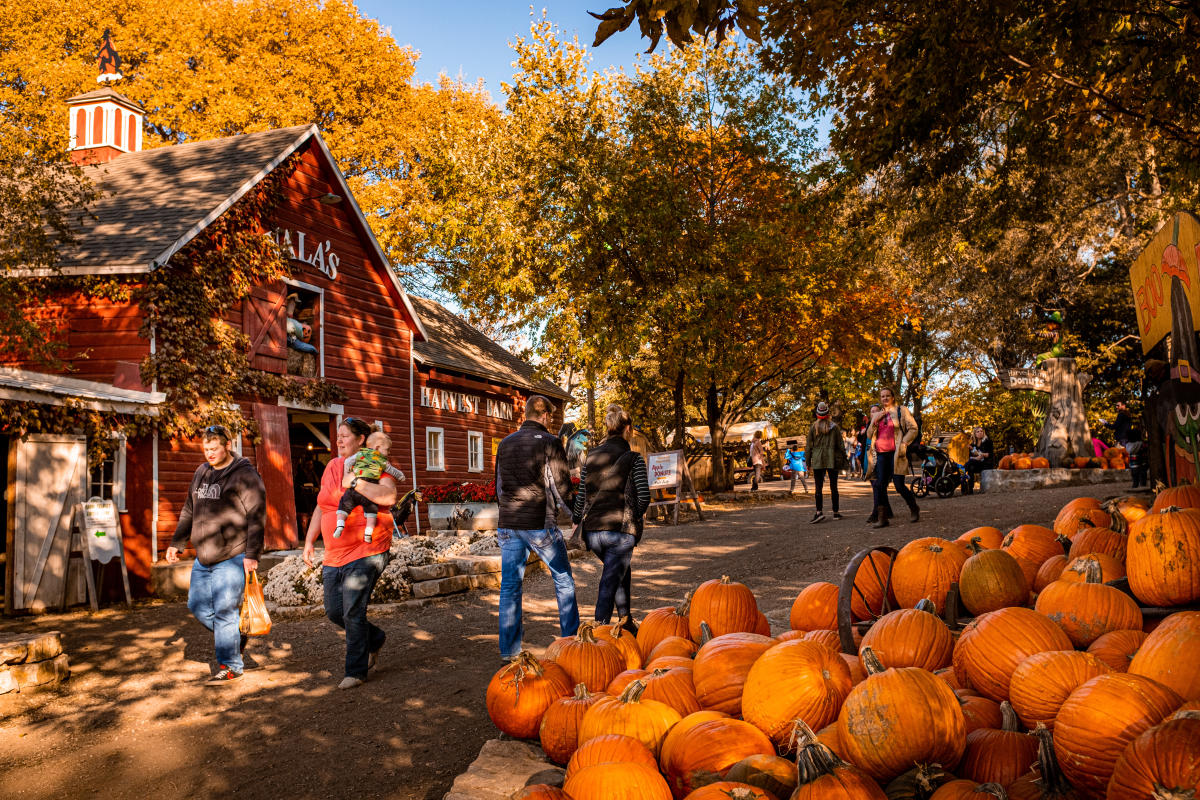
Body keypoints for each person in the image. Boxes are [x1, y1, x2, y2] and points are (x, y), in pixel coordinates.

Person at [165, 424, 265, 685]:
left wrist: (252, 553)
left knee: (223, 610)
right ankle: (235, 634)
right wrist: (178, 542)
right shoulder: (201, 472)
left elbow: (256, 516)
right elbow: (189, 509)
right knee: (196, 606)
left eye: (214, 449)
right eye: (206, 449)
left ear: (227, 446)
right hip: (203, 556)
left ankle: (231, 666)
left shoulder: (245, 475)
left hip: (232, 555)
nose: (209, 454)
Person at [302, 417, 397, 689]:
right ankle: (375, 638)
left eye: (344, 436)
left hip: (368, 548)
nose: (339, 440)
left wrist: (356, 482)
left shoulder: (375, 463)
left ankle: (355, 671)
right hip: (334, 552)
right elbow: (322, 506)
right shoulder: (332, 466)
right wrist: (309, 541)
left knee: (353, 610)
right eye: (338, 436)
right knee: (335, 611)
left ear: (361, 440)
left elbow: (389, 497)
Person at [495, 395, 580, 661]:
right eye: (551, 417)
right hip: (539, 524)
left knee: (509, 586)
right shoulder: (551, 443)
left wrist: (505, 511)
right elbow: (560, 485)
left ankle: (509, 651)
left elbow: (498, 486)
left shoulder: (505, 443)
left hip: (509, 523)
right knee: (563, 578)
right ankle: (570, 640)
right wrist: (576, 515)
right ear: (544, 416)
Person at [572, 406, 651, 629]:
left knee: (619, 571)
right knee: (610, 580)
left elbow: (581, 496)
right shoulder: (633, 458)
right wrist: (634, 518)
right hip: (620, 530)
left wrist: (577, 518)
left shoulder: (591, 457)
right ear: (628, 429)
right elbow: (644, 496)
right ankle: (599, 631)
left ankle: (626, 622)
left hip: (594, 532)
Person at [333, 430, 406, 543]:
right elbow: (393, 471)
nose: (389, 453)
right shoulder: (381, 460)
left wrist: (348, 472)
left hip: (353, 488)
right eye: (387, 449)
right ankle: (368, 532)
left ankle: (340, 524)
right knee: (372, 511)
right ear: (377, 448)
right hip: (369, 486)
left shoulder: (360, 454)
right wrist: (401, 477)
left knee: (343, 505)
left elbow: (347, 461)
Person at [866, 387, 920, 527]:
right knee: (880, 485)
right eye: (882, 396)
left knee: (899, 485)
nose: (885, 398)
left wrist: (904, 442)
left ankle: (914, 508)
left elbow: (913, 428)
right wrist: (874, 420)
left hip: (896, 454)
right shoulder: (878, 414)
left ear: (893, 397)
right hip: (881, 454)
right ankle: (883, 518)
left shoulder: (901, 411)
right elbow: (869, 434)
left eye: (887, 396)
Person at [807, 402, 845, 522]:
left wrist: (808, 463)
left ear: (817, 414)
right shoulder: (835, 427)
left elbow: (808, 447)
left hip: (818, 460)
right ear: (828, 414)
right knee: (834, 487)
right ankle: (836, 512)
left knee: (818, 487)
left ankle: (819, 512)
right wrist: (843, 458)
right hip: (832, 459)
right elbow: (841, 445)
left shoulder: (813, 427)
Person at [964, 426, 995, 493]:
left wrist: (981, 455)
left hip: (986, 463)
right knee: (971, 467)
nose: (980, 433)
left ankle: (962, 472)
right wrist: (976, 458)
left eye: (981, 431)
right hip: (976, 463)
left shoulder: (988, 442)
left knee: (970, 463)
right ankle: (970, 489)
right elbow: (970, 456)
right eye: (978, 431)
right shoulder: (973, 445)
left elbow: (989, 455)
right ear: (975, 434)